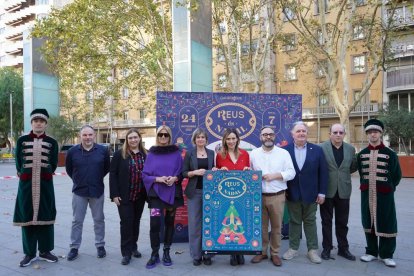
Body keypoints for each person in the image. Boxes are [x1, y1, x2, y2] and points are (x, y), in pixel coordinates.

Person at [13, 109, 59, 267]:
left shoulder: (52, 142)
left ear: (45, 123)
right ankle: (29, 253)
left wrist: (45, 173)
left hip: (45, 187)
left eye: (41, 121)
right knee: (27, 219)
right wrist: (24, 173)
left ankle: (45, 251)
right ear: (31, 123)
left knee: (46, 218)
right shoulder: (22, 140)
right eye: (35, 121)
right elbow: (18, 161)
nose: (38, 123)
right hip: (26, 187)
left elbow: (53, 164)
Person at [357, 119, 401, 267]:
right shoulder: (362, 154)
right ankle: (371, 252)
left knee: (387, 222)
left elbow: (397, 175)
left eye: (375, 131)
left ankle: (387, 254)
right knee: (369, 222)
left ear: (381, 133)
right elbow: (362, 175)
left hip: (385, 195)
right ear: (367, 134)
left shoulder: (390, 153)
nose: (373, 134)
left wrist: (389, 187)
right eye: (370, 132)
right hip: (366, 195)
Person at [282, 121, 328, 264]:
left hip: (311, 194)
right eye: (298, 131)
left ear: (307, 133)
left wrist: (322, 193)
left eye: (304, 131)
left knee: (310, 222)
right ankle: (293, 249)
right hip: (292, 193)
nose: (301, 133)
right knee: (294, 222)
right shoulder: (285, 151)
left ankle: (312, 250)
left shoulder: (318, 150)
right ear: (292, 134)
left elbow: (323, 173)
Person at [250, 127, 296, 267]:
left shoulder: (284, 153)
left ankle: (275, 253)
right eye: (265, 134)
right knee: (262, 226)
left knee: (276, 227)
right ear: (260, 137)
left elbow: (291, 172)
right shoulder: (253, 154)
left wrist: (275, 175)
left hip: (277, 196)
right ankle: (262, 252)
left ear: (274, 136)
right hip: (259, 196)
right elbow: (249, 172)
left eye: (270, 134)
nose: (268, 137)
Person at [65, 125, 110, 261]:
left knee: (99, 220)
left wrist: (94, 179)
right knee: (77, 221)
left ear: (94, 136)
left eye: (90, 135)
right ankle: (74, 247)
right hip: (79, 192)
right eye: (84, 135)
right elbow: (69, 170)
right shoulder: (72, 151)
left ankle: (100, 245)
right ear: (80, 136)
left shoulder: (103, 150)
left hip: (97, 191)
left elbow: (106, 168)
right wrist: (79, 180)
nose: (87, 137)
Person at [142, 125, 184, 269]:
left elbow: (181, 172)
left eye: (166, 135)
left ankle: (166, 252)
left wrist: (174, 178)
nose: (163, 137)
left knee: (169, 222)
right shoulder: (151, 153)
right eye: (160, 135)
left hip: (172, 191)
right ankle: (154, 253)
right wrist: (158, 179)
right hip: (156, 194)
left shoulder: (176, 153)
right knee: (155, 224)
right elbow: (145, 175)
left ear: (169, 136)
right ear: (157, 136)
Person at [319, 124, 358, 261]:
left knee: (342, 222)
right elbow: (319, 168)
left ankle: (343, 248)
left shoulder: (350, 149)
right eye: (335, 132)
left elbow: (352, 167)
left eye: (341, 132)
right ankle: (326, 248)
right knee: (326, 222)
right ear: (329, 133)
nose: (338, 135)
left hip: (344, 190)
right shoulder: (322, 148)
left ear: (344, 134)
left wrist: (341, 176)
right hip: (327, 191)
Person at [109, 129, 147, 265]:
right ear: (127, 140)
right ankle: (126, 253)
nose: (133, 140)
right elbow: (112, 174)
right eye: (130, 138)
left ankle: (133, 247)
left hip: (140, 195)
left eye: (135, 137)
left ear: (139, 138)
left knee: (136, 222)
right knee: (126, 224)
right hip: (125, 196)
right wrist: (114, 194)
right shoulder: (120, 154)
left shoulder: (145, 154)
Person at [215, 128, 250, 266]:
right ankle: (231, 253)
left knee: (240, 223)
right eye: (228, 139)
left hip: (242, 195)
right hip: (226, 195)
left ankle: (240, 251)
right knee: (228, 224)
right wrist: (219, 171)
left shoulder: (245, 154)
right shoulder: (219, 155)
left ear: (237, 139)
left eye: (233, 138)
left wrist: (248, 170)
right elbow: (215, 175)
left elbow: (249, 175)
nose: (231, 141)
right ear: (224, 140)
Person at [182, 128, 215, 266]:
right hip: (194, 192)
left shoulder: (212, 153)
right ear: (194, 140)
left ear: (206, 139)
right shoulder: (189, 153)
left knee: (209, 224)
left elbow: (215, 169)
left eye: (202, 137)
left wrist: (214, 170)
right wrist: (195, 172)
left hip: (210, 193)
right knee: (195, 224)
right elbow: (183, 173)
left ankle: (208, 254)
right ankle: (196, 255)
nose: (200, 139)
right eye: (198, 137)